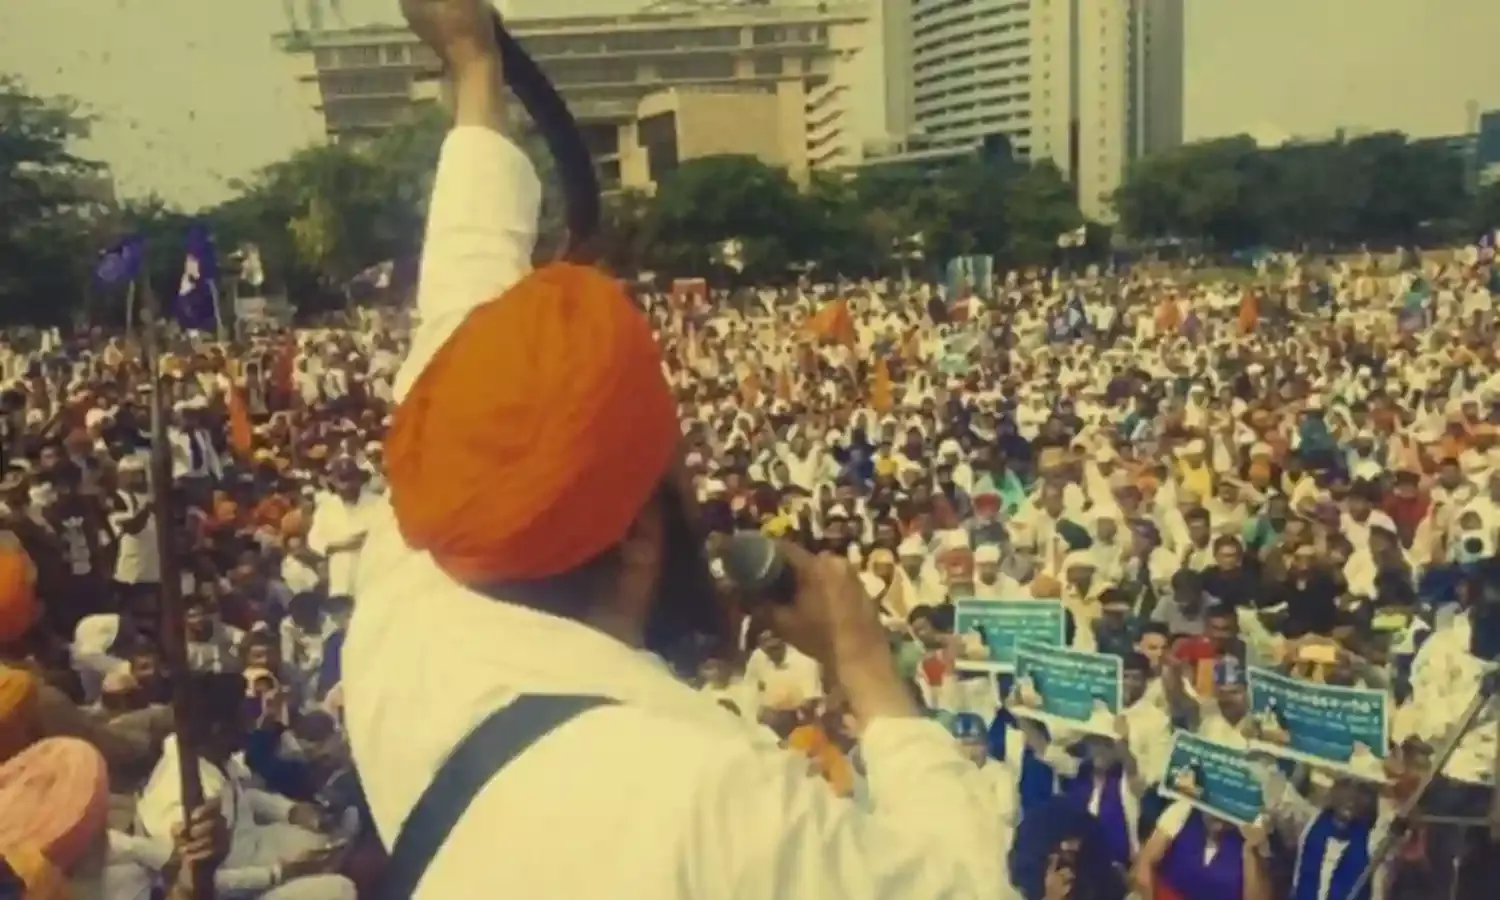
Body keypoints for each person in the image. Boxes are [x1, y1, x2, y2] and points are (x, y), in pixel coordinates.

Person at [342, 3, 1005, 899]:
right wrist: (867, 673)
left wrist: (475, 65)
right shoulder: (710, 800)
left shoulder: (408, 604)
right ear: (638, 537)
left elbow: (464, 292)